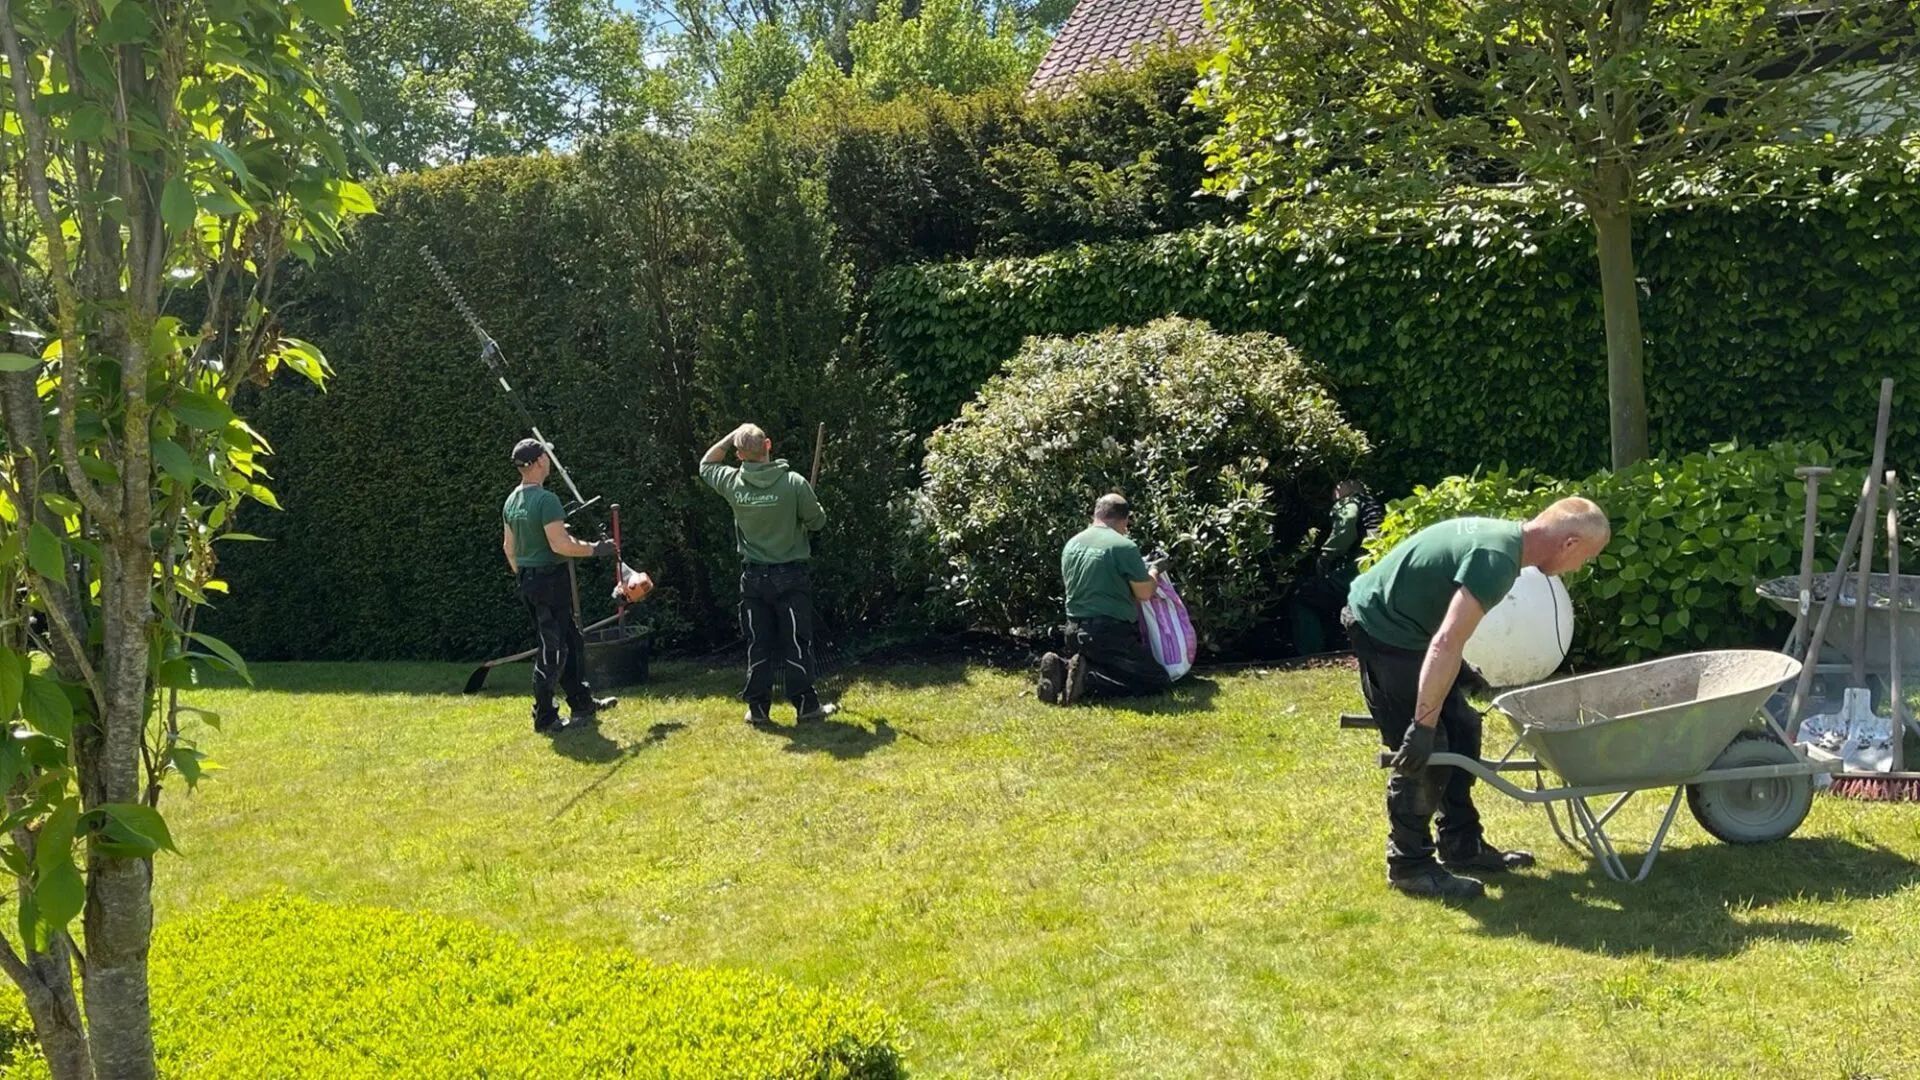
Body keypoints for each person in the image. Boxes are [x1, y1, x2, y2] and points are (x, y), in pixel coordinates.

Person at [1342, 497, 1611, 899]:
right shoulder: (1497, 560)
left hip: (1410, 627)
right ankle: (1409, 865)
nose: (1578, 568)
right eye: (1585, 558)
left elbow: (1444, 620)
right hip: (1384, 628)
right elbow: (1445, 642)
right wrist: (1422, 725)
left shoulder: (1506, 543)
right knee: (1429, 750)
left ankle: (1461, 844)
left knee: (1464, 728)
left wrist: (1458, 672)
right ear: (1569, 544)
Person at [699, 422, 835, 725]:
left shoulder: (732, 482)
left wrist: (733, 435)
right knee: (796, 641)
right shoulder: (795, 483)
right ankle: (806, 706)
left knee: (758, 643)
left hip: (754, 579)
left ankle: (758, 709)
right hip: (791, 576)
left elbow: (706, 463)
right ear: (768, 445)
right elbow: (818, 522)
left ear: (739, 454)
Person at [502, 437, 619, 735]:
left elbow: (509, 549)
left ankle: (582, 703)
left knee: (571, 640)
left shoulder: (511, 501)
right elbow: (561, 545)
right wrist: (597, 549)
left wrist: (526, 577)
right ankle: (544, 717)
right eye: (547, 457)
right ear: (540, 461)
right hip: (549, 582)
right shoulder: (546, 500)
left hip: (530, 580)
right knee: (552, 650)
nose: (549, 461)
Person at [1037, 493, 1174, 705]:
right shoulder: (1124, 546)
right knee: (1155, 680)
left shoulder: (1072, 544)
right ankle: (1088, 680)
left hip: (1073, 631)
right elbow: (1144, 592)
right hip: (1110, 633)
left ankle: (1063, 668)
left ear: (1096, 514)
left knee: (1108, 664)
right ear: (1125, 520)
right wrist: (1154, 570)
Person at [1289, 480, 1387, 654]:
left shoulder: (1351, 501)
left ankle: (1310, 653)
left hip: (1363, 565)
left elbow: (1346, 525)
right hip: (1383, 564)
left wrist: (1326, 555)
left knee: (1303, 596)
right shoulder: (1374, 505)